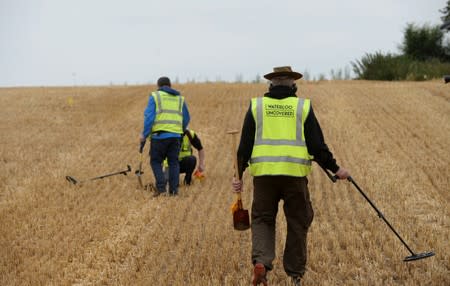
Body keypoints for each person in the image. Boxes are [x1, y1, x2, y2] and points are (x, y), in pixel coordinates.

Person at [231, 66, 350, 286]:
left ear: (270, 85)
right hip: (294, 177)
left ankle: (261, 263)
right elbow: (317, 146)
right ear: (293, 86)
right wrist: (336, 169)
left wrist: (238, 174)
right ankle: (295, 275)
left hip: (264, 177)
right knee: (297, 220)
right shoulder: (302, 106)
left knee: (263, 219)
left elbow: (244, 147)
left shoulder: (257, 106)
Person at [140, 76, 190, 196]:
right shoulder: (180, 99)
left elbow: (149, 118)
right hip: (176, 137)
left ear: (158, 86)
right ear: (170, 85)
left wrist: (144, 134)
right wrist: (180, 131)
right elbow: (187, 118)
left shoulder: (155, 96)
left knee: (156, 162)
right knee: (174, 163)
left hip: (159, 136)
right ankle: (173, 191)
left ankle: (161, 189)